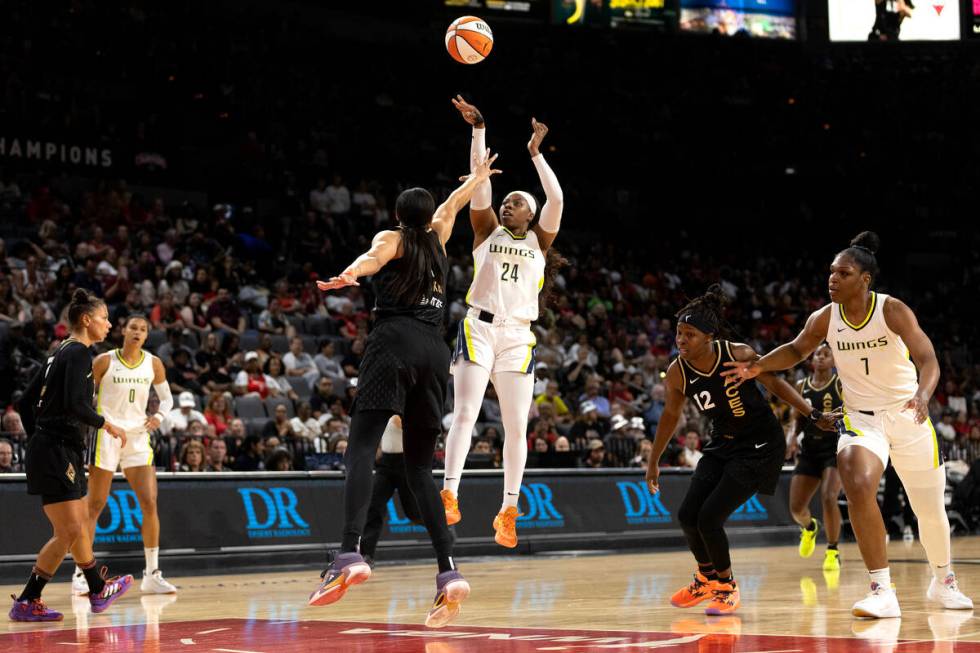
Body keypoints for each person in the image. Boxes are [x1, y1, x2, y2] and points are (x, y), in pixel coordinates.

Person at [724, 232, 973, 618]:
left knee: (929, 510)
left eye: (843, 272)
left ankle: (943, 581)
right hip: (861, 419)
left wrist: (924, 395)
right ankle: (880, 589)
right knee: (856, 483)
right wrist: (759, 365)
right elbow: (795, 350)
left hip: (908, 415)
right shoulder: (825, 317)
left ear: (865, 279)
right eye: (831, 272)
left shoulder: (892, 311)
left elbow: (929, 360)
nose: (833, 279)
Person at [306, 150, 498, 627]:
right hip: (436, 350)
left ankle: (349, 555)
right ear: (426, 216)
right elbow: (452, 206)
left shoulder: (393, 237)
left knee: (360, 451)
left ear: (396, 216)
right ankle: (448, 571)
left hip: (393, 341)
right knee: (417, 470)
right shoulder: (438, 239)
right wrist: (476, 178)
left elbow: (374, 257)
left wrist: (351, 273)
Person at [645, 285, 838, 616]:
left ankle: (727, 587)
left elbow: (775, 383)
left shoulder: (737, 353)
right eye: (679, 333)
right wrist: (653, 462)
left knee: (709, 518)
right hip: (723, 443)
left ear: (709, 337)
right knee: (687, 516)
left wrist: (813, 414)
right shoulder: (679, 371)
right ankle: (706, 579)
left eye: (690, 334)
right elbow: (670, 417)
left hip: (760, 445)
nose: (681, 340)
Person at [441, 96, 565, 549]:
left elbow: (557, 196)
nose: (507, 206)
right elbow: (478, 186)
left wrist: (535, 154)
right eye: (507, 201)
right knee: (466, 414)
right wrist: (479, 130)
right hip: (479, 326)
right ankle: (449, 492)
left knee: (516, 427)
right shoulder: (485, 230)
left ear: (529, 214)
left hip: (518, 336)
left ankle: (508, 509)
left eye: (515, 202)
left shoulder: (540, 240)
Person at [10, 289, 133, 622]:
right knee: (68, 531)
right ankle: (28, 600)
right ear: (86, 319)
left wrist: (40, 437)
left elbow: (23, 403)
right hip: (56, 450)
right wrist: (107, 424)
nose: (109, 324)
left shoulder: (57, 352)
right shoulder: (78, 353)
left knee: (76, 527)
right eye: (105, 318)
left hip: (55, 448)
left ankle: (95, 589)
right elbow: (76, 405)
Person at [73, 314, 178, 596]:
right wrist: (95, 421)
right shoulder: (104, 361)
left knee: (149, 502)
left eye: (143, 329)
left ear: (146, 336)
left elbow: (167, 398)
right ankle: (81, 574)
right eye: (133, 327)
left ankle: (152, 574)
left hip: (137, 436)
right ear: (123, 330)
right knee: (94, 505)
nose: (137, 332)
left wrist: (158, 416)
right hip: (107, 433)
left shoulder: (153, 363)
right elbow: (82, 396)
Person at [786, 342, 844, 571]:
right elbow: (796, 418)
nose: (820, 357)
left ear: (834, 361)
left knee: (829, 497)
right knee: (796, 508)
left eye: (826, 354)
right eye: (817, 353)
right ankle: (810, 528)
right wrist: (791, 437)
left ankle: (832, 550)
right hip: (809, 449)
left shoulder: (840, 383)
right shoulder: (801, 386)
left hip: (834, 448)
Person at [360, 417, 422, 567]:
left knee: (413, 512)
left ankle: (442, 528)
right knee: (374, 507)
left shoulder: (405, 406)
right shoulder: (386, 407)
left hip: (405, 463)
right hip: (386, 464)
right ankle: (366, 555)